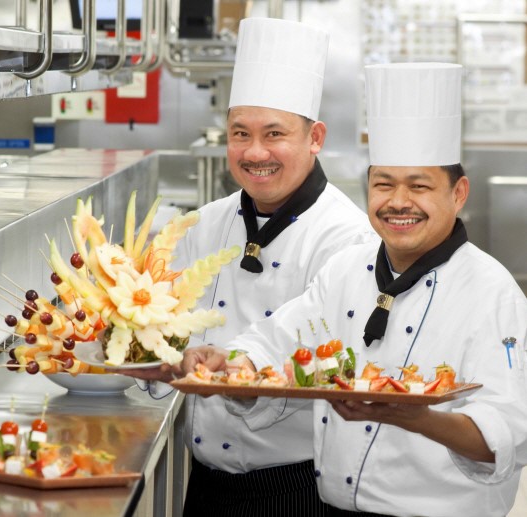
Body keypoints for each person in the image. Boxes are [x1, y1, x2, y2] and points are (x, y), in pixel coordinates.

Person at [183, 62, 527, 517]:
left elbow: (508, 434)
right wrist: (229, 365)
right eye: (383, 184)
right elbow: (277, 340)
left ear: (458, 193)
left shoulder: (492, 291)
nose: (398, 202)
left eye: (419, 186)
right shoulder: (347, 270)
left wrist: (420, 418)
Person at [125, 17, 377, 516]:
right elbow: (160, 327)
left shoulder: (348, 238)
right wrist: (146, 355)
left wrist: (244, 377)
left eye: (274, 134)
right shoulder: (205, 223)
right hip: (205, 484)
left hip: (298, 489)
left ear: (315, 137)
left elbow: (331, 362)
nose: (255, 152)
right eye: (240, 133)